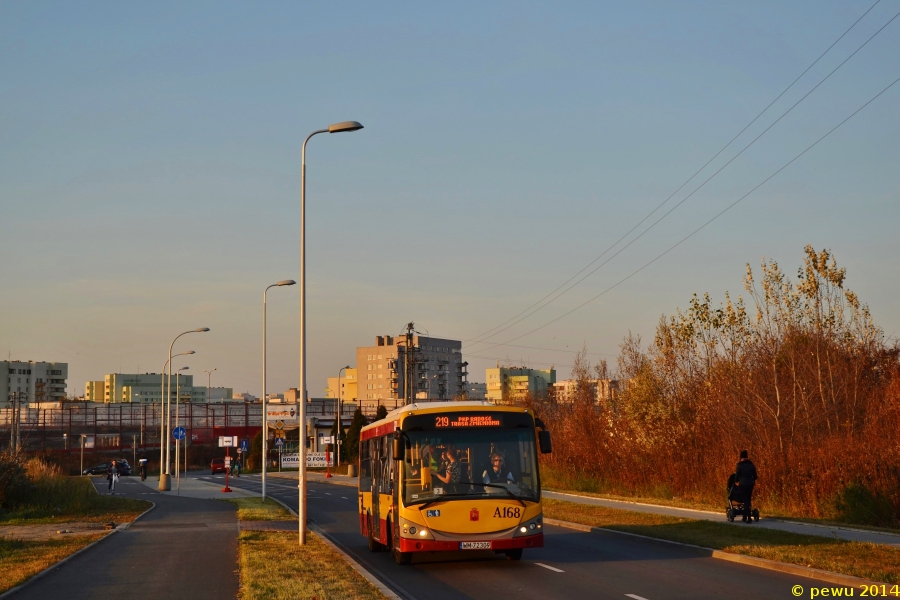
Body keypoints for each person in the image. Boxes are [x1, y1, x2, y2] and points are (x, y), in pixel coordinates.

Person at [734, 449, 758, 523]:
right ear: (747, 457)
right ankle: (745, 516)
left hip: (743, 484)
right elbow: (755, 476)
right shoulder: (751, 465)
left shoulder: (739, 465)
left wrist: (736, 481)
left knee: (745, 500)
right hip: (750, 484)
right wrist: (752, 479)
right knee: (748, 499)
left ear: (741, 458)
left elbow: (737, 476)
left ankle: (748, 518)